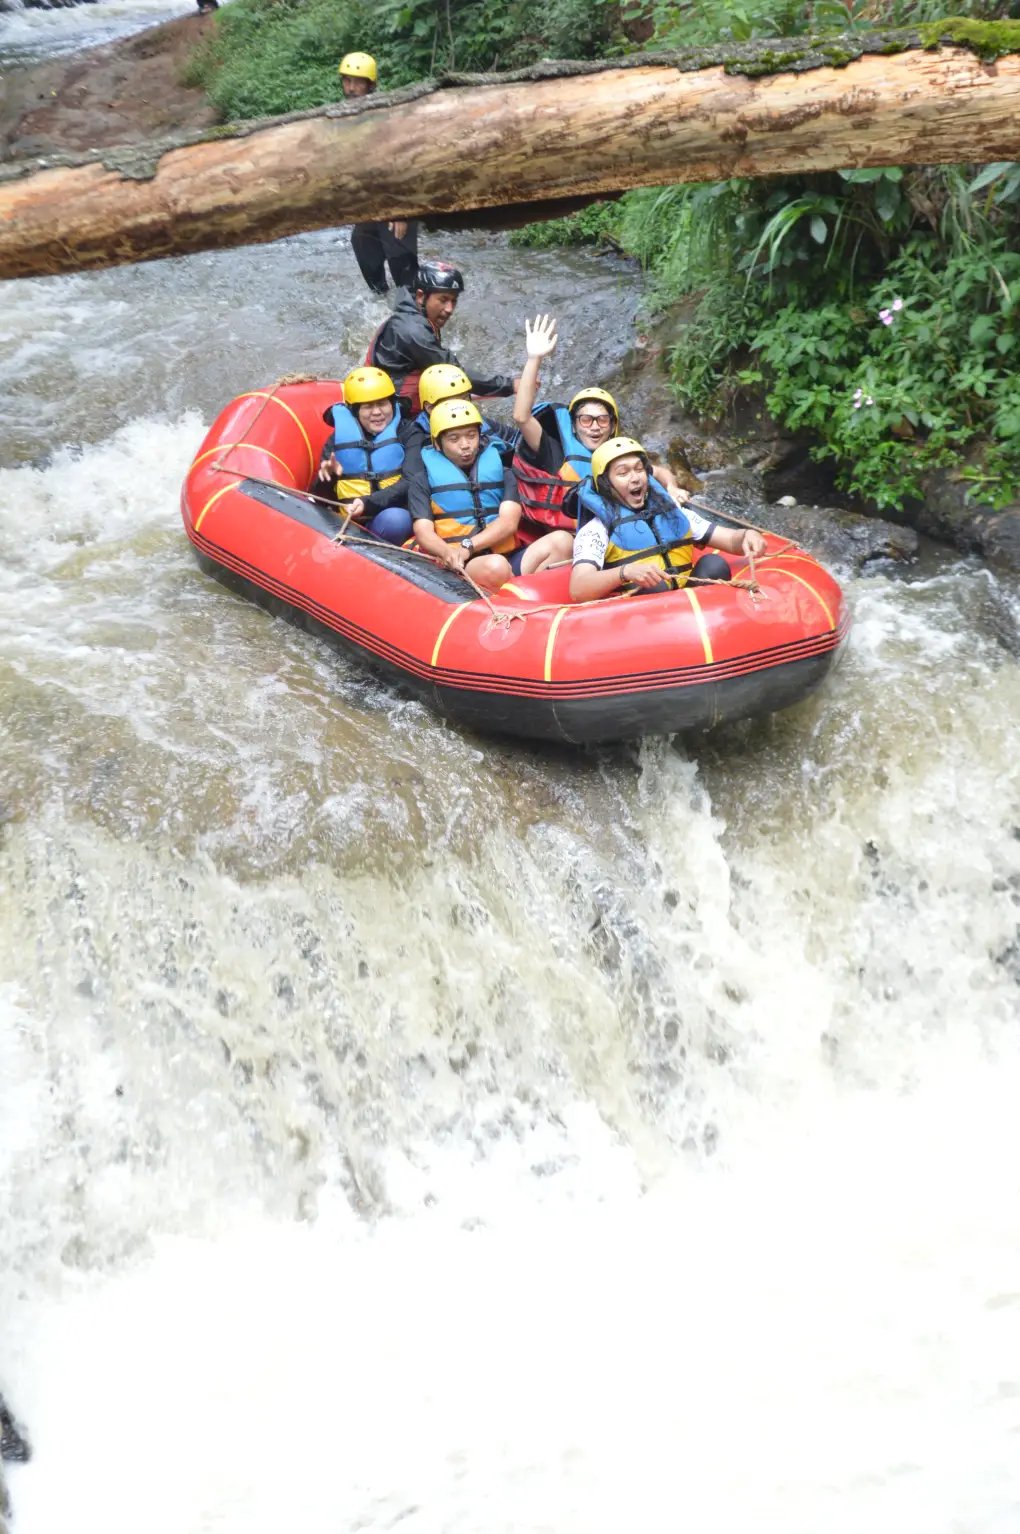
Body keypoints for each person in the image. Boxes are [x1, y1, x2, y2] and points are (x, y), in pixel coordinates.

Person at [512, 313, 689, 541]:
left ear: (612, 425)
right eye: (586, 420)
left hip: (616, 537)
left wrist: (672, 488)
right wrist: (534, 358)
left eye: (602, 420)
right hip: (569, 542)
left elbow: (661, 473)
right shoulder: (553, 451)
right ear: (574, 426)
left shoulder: (618, 457)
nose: (595, 427)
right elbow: (521, 416)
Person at [569, 436, 767, 602]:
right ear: (605, 484)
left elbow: (732, 541)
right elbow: (578, 588)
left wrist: (747, 535)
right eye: (623, 473)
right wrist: (625, 572)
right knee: (654, 586)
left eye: (639, 469)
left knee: (713, 564)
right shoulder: (596, 530)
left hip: (692, 605)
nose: (635, 478)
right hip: (643, 619)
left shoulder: (675, 514)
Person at [409, 399, 570, 593]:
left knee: (563, 541)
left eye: (471, 436)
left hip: (505, 556)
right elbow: (423, 531)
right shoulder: (422, 480)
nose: (465, 445)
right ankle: (522, 592)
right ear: (437, 443)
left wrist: (469, 545)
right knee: (496, 565)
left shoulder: (504, 472)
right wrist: (448, 553)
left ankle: (523, 594)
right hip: (464, 565)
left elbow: (508, 523)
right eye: (454, 439)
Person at [367, 260, 518, 415]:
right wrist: (511, 385)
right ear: (420, 296)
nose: (449, 309)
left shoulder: (410, 313)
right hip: (395, 409)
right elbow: (456, 374)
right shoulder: (414, 332)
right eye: (443, 299)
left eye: (454, 300)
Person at [338, 52, 420, 296]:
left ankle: (416, 314)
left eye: (358, 82)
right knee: (363, 247)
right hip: (370, 206)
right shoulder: (344, 116)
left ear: (370, 85)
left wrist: (402, 211)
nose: (351, 88)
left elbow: (402, 161)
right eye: (347, 81)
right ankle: (383, 307)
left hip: (397, 203)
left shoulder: (385, 115)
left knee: (402, 268)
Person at [316, 365, 415, 545]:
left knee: (396, 520)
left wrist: (367, 503)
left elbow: (412, 481)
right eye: (368, 406)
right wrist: (328, 477)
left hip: (389, 518)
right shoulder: (337, 440)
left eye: (382, 404)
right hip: (348, 523)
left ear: (392, 404)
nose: (377, 412)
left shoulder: (408, 433)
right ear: (355, 411)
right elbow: (317, 499)